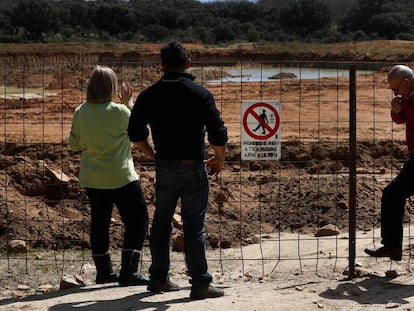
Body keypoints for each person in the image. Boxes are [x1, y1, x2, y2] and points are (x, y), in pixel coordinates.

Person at [128, 41, 228, 299]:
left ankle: (159, 278)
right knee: (194, 225)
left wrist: (155, 155)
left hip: (165, 168)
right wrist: (219, 159)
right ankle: (200, 283)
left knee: (161, 223)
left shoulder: (149, 95)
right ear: (188, 64)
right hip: (193, 167)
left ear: (161, 66)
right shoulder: (200, 94)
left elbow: (136, 134)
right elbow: (218, 133)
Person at [69, 65, 150, 286]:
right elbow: (139, 130)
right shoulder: (120, 111)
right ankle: (129, 271)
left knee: (100, 222)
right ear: (112, 87)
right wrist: (129, 104)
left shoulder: (80, 111)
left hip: (93, 178)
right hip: (121, 175)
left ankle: (104, 272)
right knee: (137, 219)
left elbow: (74, 144)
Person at [365, 64, 414, 261]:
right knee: (393, 194)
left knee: (393, 194)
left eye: (396, 89)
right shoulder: (409, 96)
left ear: (406, 82)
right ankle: (392, 246)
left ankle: (392, 246)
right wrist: (396, 111)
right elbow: (404, 120)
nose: (395, 93)